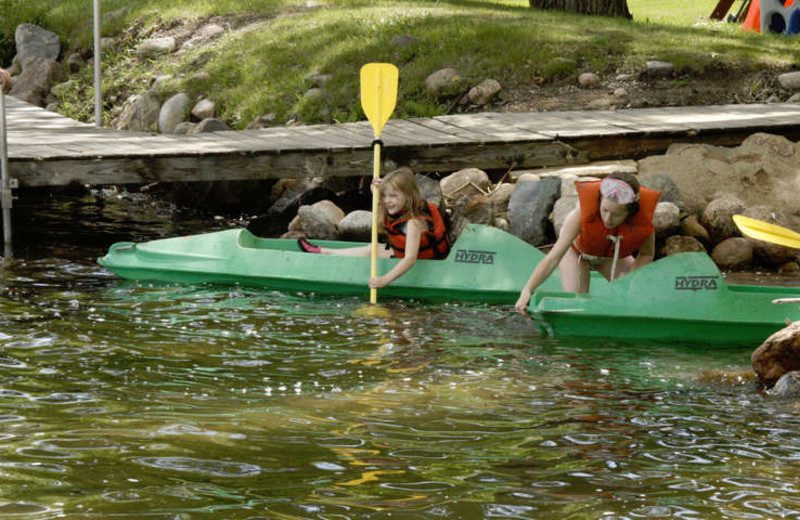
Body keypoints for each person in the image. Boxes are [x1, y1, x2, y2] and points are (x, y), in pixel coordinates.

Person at [515, 172, 660, 315]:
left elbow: (647, 254)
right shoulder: (580, 216)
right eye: (605, 210)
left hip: (608, 257)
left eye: (616, 215)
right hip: (576, 253)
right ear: (600, 201)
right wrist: (527, 289)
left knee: (637, 298)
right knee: (579, 306)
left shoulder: (642, 223)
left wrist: (630, 275)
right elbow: (552, 258)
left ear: (629, 213)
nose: (608, 219)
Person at [298, 167, 451, 289]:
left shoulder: (414, 224)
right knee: (373, 247)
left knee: (372, 251)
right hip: (408, 252)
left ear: (408, 195)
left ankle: (323, 253)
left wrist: (385, 280)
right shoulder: (402, 208)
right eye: (385, 196)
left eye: (393, 196)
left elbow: (410, 259)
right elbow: (385, 207)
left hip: (429, 262)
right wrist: (375, 189)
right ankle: (323, 252)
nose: (387, 201)